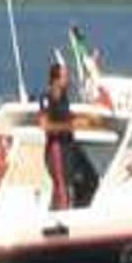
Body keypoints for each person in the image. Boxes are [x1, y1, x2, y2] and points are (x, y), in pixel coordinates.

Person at [38, 62, 77, 210]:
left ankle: (56, 212)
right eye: (65, 76)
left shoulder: (64, 97)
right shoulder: (47, 98)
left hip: (67, 146)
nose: (68, 79)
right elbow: (44, 125)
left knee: (66, 184)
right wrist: (69, 126)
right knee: (60, 185)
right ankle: (62, 214)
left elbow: (65, 116)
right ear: (56, 79)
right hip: (56, 148)